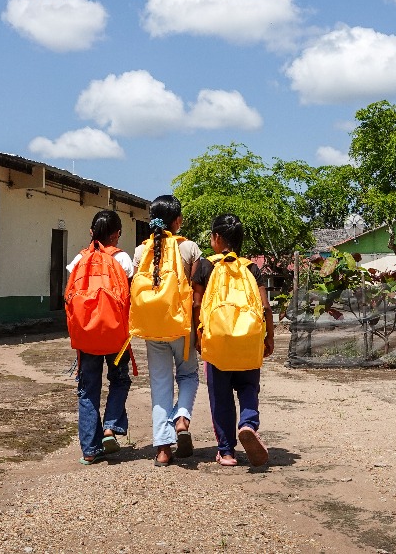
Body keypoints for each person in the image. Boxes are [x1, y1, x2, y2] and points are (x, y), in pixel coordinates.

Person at [192, 213, 274, 467]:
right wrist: (269, 338)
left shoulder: (205, 266)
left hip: (216, 340)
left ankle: (226, 451)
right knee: (249, 387)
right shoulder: (251, 268)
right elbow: (265, 307)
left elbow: (196, 304)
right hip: (248, 338)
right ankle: (248, 424)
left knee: (220, 395)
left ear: (216, 238)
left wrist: (198, 336)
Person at [130, 195, 202, 467]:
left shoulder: (141, 251)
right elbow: (197, 293)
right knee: (189, 375)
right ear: (178, 220)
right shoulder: (190, 249)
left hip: (152, 328)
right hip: (182, 327)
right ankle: (182, 418)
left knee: (160, 385)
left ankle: (162, 449)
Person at [66, 209, 135, 464]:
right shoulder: (123, 259)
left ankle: (90, 450)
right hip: (116, 335)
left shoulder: (79, 259)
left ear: (91, 232)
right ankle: (110, 428)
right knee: (119, 380)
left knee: (87, 390)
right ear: (117, 234)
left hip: (87, 335)